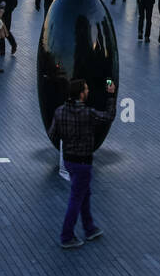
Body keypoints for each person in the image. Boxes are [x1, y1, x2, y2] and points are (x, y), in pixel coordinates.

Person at [47, 78, 116, 249]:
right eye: (86, 89)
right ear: (81, 94)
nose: (88, 91)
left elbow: (52, 133)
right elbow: (108, 117)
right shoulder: (88, 113)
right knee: (76, 198)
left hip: (69, 160)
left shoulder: (60, 112)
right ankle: (67, 235)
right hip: (84, 161)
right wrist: (111, 96)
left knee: (84, 193)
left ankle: (89, 227)